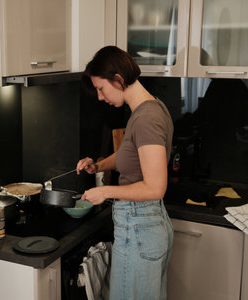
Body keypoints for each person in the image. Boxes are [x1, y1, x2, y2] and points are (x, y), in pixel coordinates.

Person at [76, 46, 174, 300]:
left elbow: (155, 187)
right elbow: (129, 157)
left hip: (139, 227)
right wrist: (98, 166)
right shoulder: (152, 108)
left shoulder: (144, 119)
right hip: (147, 225)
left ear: (118, 79)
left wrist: (104, 191)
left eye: (101, 88)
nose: (99, 97)